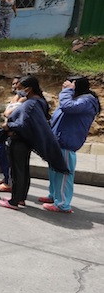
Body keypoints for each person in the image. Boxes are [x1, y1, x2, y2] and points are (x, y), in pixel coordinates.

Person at [0, 76, 68, 210]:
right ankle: (20, 198)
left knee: (18, 172)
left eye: (20, 89)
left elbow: (22, 124)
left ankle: (14, 201)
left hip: (19, 141)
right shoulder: (40, 102)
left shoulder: (31, 104)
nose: (18, 92)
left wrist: (9, 126)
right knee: (23, 170)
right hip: (26, 141)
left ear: (28, 89)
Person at [41, 77, 100, 213]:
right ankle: (54, 196)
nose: (66, 86)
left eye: (70, 84)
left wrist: (67, 91)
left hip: (67, 143)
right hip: (58, 141)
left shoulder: (87, 100)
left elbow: (68, 108)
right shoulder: (77, 99)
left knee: (63, 174)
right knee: (54, 172)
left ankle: (62, 204)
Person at [0, 77, 26, 192]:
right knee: (0, 153)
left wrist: (15, 103)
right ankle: (7, 177)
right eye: (13, 84)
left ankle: (9, 182)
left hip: (14, 133)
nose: (14, 87)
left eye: (17, 84)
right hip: (7, 132)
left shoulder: (24, 99)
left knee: (6, 156)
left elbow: (8, 113)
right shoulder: (17, 99)